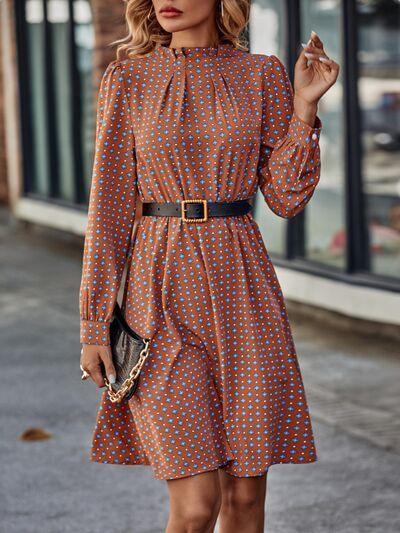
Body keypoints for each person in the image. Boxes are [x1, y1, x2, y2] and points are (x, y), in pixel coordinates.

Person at [79, 1, 339, 531]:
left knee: (244, 502)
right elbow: (107, 210)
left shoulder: (261, 74)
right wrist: (94, 322)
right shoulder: (128, 78)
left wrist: (305, 108)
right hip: (159, 296)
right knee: (196, 506)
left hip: (242, 291)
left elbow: (287, 197)